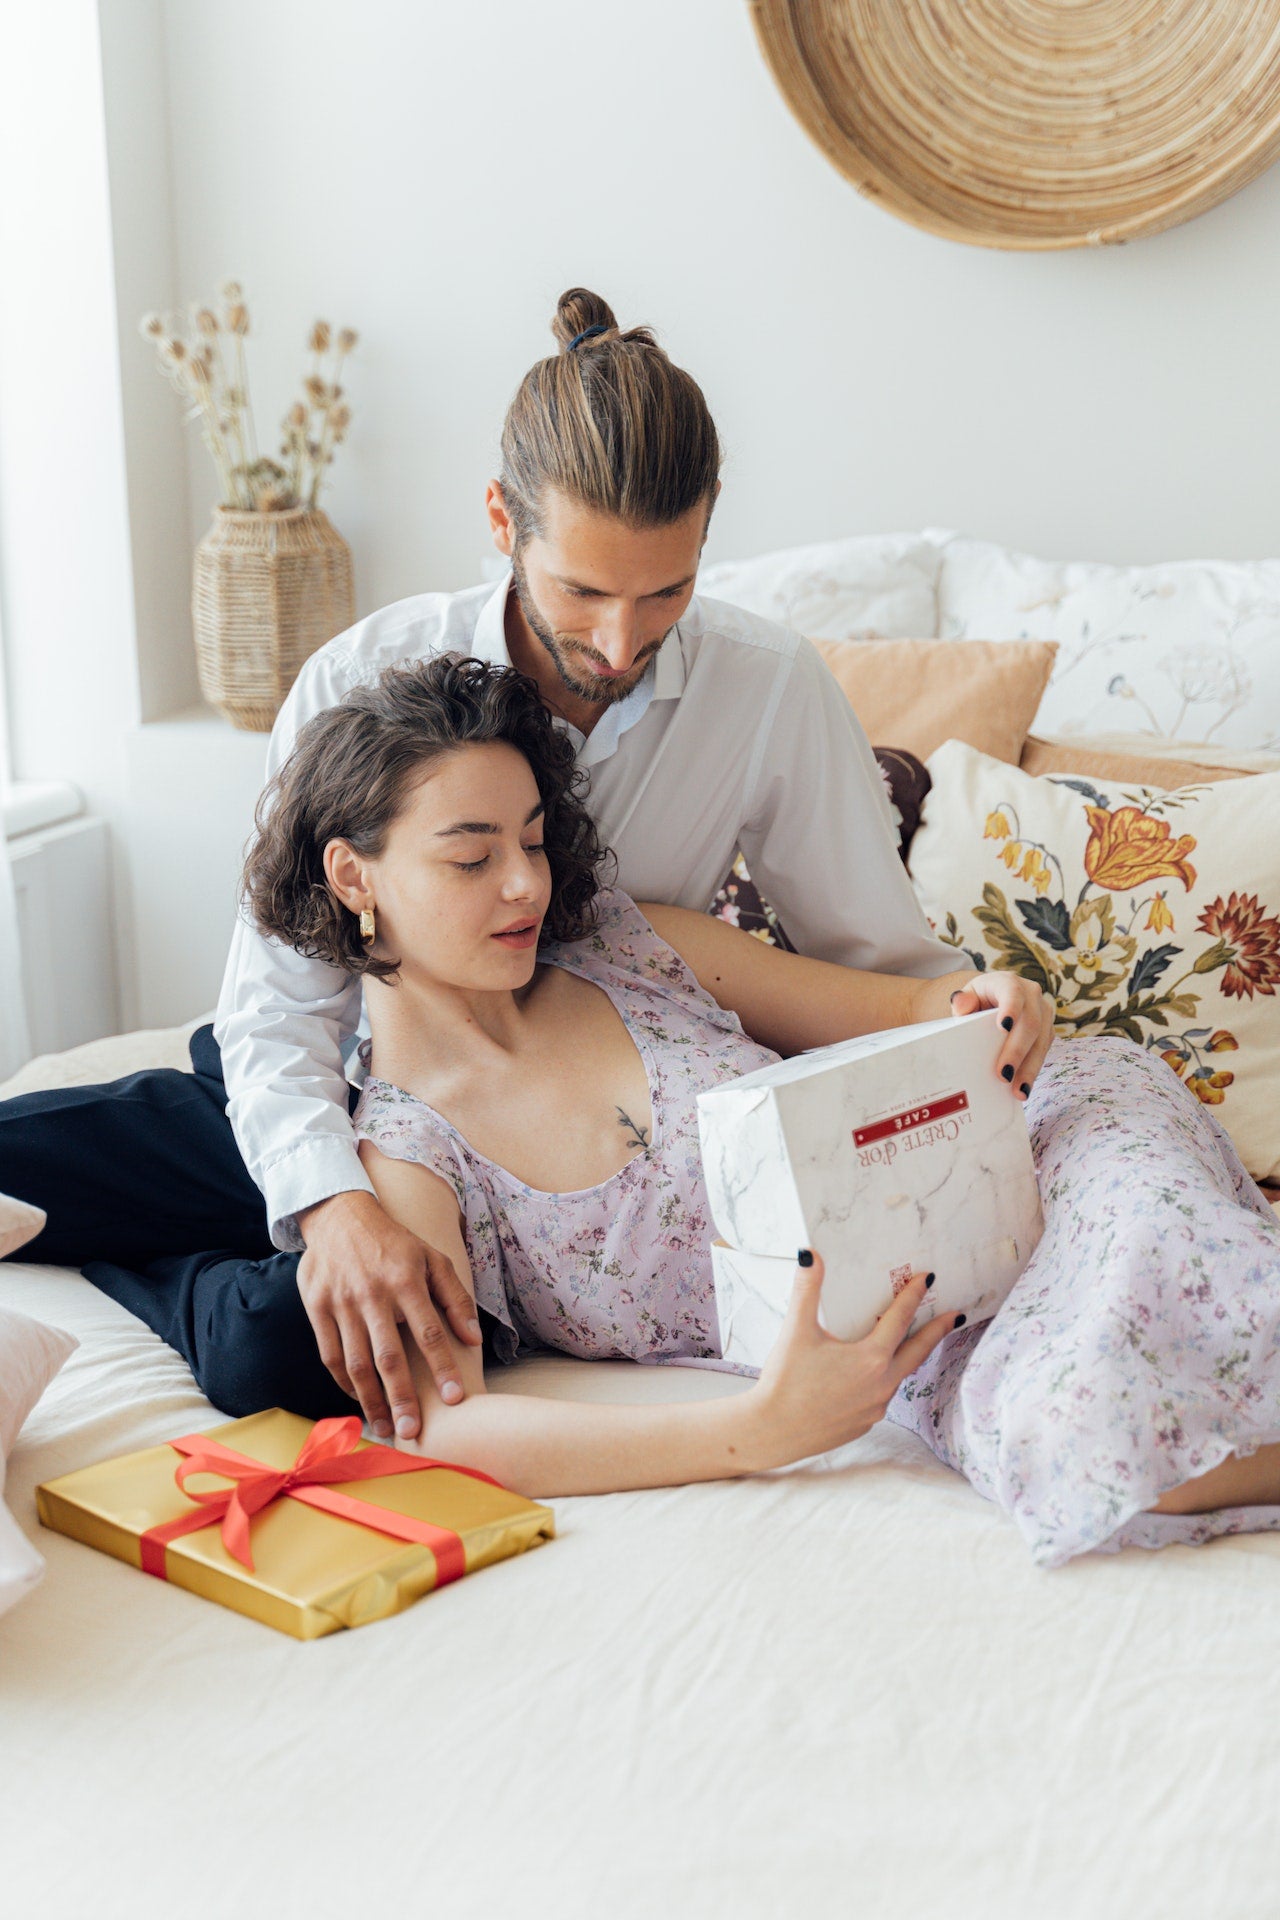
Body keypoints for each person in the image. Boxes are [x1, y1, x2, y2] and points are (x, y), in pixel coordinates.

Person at [2, 286, 958, 1443]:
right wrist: (334, 1205)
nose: (619, 642)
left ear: (709, 528)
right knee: (33, 1156)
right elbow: (276, 1008)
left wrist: (973, 1041)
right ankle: (202, 1207)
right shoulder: (357, 676)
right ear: (503, 523)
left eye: (666, 591)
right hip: (349, 1068)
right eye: (583, 592)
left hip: (543, 1117)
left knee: (284, 1350)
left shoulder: (767, 689)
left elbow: (877, 967)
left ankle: (159, 1260)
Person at [85, 658, 1280, 1566]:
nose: (522, 885)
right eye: (469, 858)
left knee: (1164, 1268)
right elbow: (441, 1429)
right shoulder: (407, 1149)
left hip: (1047, 1138)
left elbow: (907, 1006)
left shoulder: (630, 950)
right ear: (355, 879)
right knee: (1094, 1445)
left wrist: (984, 998)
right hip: (921, 1321)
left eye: (535, 842)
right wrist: (757, 1429)